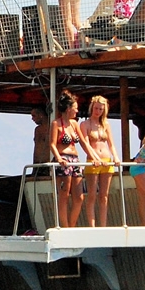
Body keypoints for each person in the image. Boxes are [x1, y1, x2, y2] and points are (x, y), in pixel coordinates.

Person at [49, 90, 100, 228]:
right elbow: (52, 144)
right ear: (68, 108)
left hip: (75, 159)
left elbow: (84, 143)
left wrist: (94, 157)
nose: (77, 111)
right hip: (63, 159)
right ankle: (64, 227)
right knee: (64, 194)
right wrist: (59, 158)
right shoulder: (56, 124)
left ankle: (71, 225)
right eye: (75, 108)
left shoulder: (75, 124)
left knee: (79, 197)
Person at [80, 96, 119, 227]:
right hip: (93, 160)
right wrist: (95, 158)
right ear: (92, 108)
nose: (98, 111)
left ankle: (103, 225)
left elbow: (111, 144)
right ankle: (92, 225)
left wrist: (116, 157)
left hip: (106, 160)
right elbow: (85, 143)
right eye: (96, 108)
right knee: (92, 195)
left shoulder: (106, 124)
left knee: (104, 195)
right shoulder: (85, 124)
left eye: (101, 109)